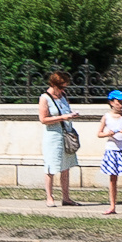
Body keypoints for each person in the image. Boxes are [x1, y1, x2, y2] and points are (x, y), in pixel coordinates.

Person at [37, 71, 81, 206]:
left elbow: (65, 111)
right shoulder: (45, 98)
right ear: (54, 85)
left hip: (66, 134)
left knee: (65, 167)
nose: (63, 90)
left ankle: (66, 197)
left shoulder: (63, 96)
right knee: (51, 166)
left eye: (64, 87)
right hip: (53, 136)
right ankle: (49, 197)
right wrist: (63, 118)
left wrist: (71, 115)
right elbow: (43, 119)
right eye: (61, 87)